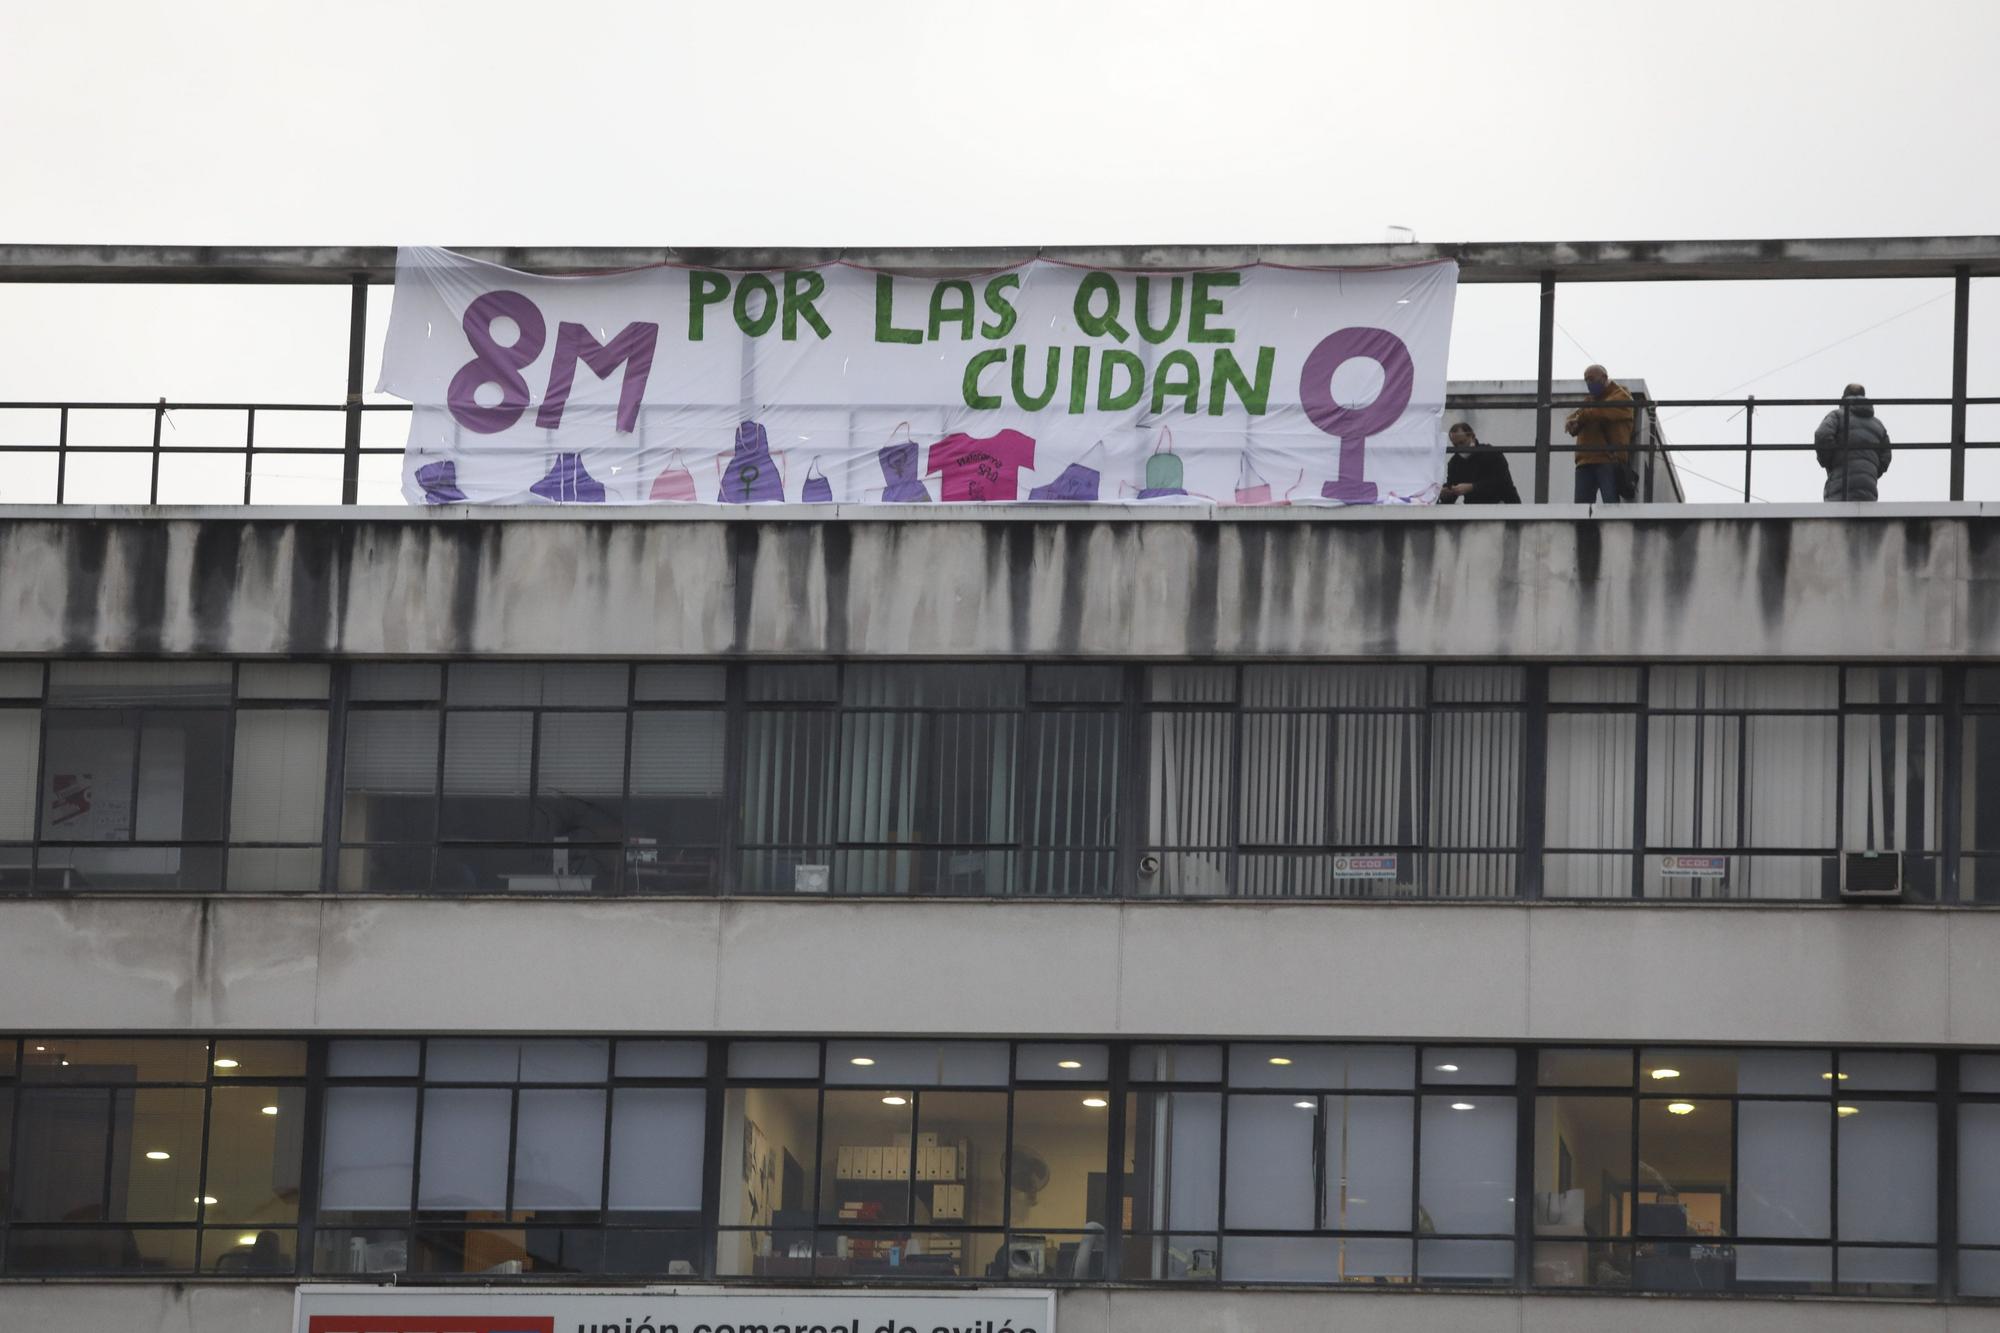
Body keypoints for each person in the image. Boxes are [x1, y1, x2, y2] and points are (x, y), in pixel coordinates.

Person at [1564, 365, 1635, 503]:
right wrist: (1573, 422)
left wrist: (1580, 418)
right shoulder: (1590, 401)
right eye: (1586, 380)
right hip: (1585, 460)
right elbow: (1577, 416)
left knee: (1610, 506)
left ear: (1604, 378)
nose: (1589, 384)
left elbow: (1601, 411)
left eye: (1591, 379)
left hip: (1608, 459)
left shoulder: (1621, 394)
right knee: (1581, 510)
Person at [1815, 383, 1891, 501]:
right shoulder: (1879, 425)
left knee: (1837, 517)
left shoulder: (1837, 415)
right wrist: (1872, 470)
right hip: (1868, 489)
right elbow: (1886, 456)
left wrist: (1828, 461)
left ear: (1844, 398)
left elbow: (1822, 435)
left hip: (1840, 488)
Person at [1439, 423, 1521, 504]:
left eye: (1462, 442)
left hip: (1503, 504)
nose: (1459, 448)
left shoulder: (1491, 453)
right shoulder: (1454, 462)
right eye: (1455, 445)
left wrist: (1472, 487)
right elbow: (1452, 488)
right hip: (1474, 509)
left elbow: (1502, 482)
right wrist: (1445, 493)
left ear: (1472, 436)